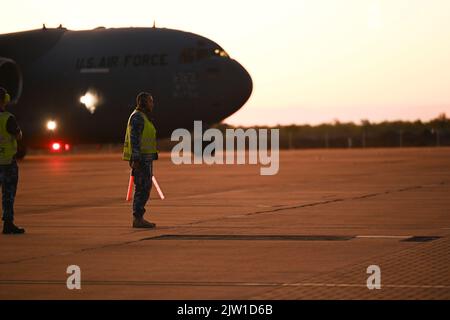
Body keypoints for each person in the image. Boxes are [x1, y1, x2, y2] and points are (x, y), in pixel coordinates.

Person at [123, 92, 158, 228]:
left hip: (146, 159)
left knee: (145, 187)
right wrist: (136, 158)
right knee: (141, 188)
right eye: (150, 101)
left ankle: (139, 217)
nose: (152, 104)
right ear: (144, 102)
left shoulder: (144, 117)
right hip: (141, 160)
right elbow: (135, 139)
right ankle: (137, 218)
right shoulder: (138, 117)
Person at [0, 87, 25, 234]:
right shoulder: (8, 118)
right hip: (7, 162)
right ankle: (8, 224)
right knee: (8, 194)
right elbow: (18, 135)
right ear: (6, 99)